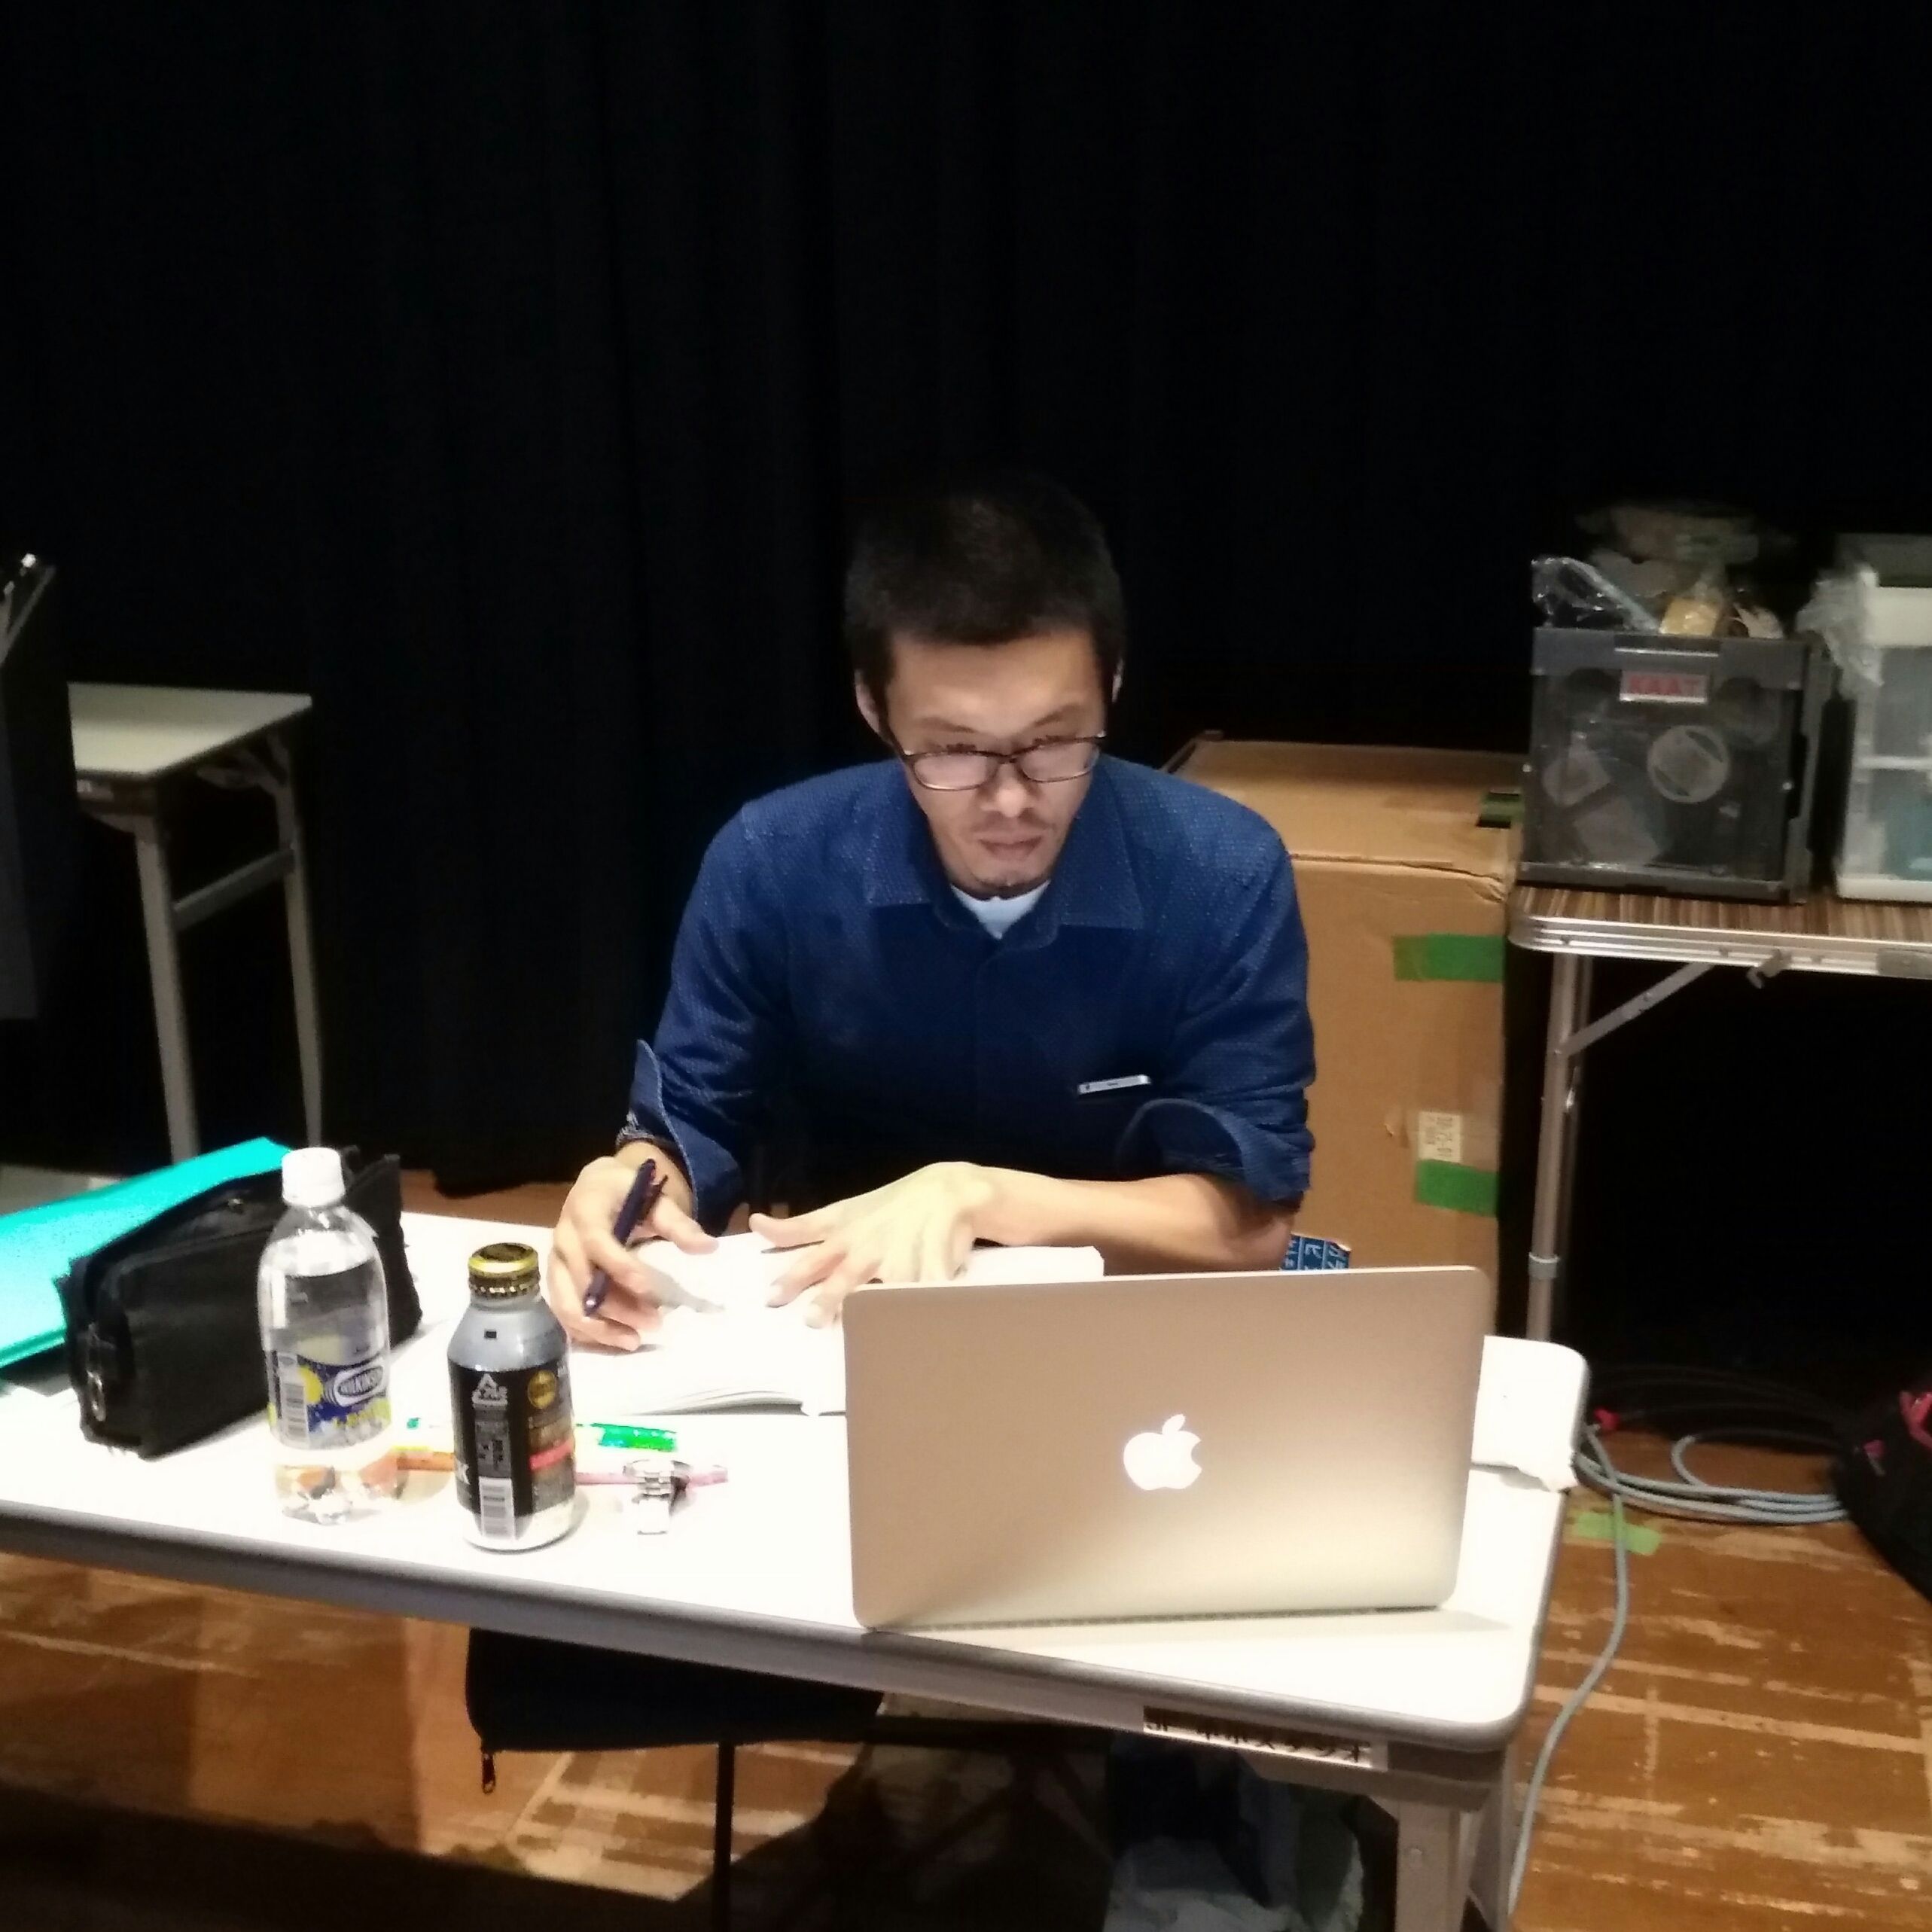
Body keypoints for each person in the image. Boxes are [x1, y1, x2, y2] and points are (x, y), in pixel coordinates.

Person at [546, 469, 1313, 1342]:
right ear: (876, 708)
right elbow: (694, 1120)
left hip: (1121, 1323)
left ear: (1114, 682)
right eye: (953, 750)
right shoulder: (772, 861)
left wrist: (979, 1194)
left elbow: (1251, 1222)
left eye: (1054, 741)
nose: (1011, 800)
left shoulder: (1219, 872)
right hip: (840, 1313)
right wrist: (634, 1178)